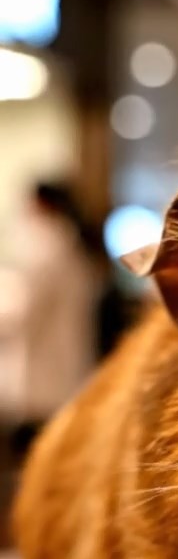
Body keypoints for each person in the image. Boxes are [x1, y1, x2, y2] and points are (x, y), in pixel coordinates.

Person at [0, 182, 99, 456]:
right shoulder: (71, 246)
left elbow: (23, 310)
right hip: (62, 372)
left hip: (44, 377)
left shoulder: (46, 245)